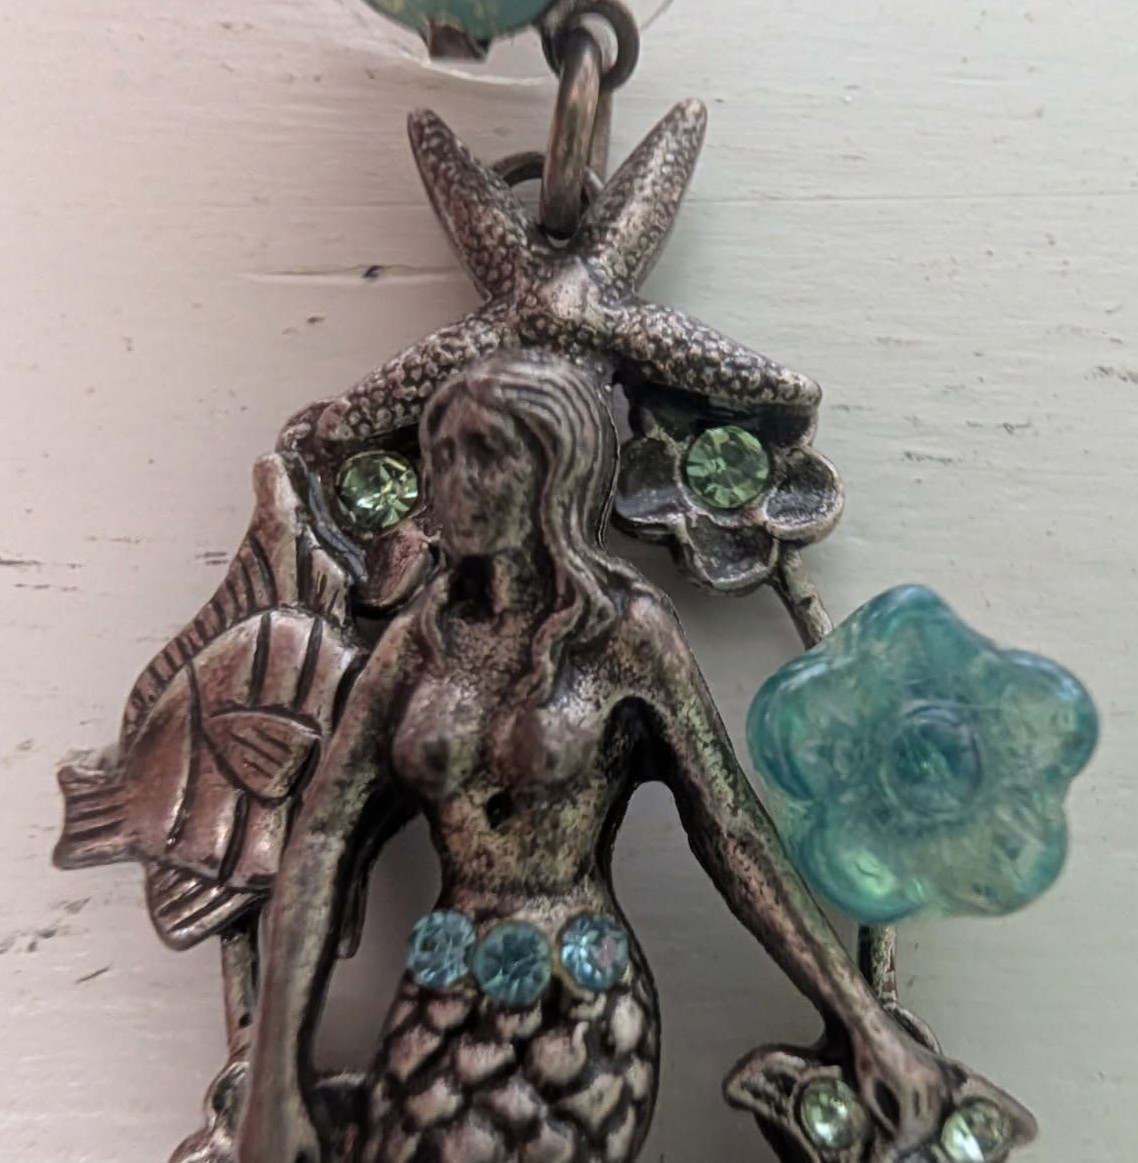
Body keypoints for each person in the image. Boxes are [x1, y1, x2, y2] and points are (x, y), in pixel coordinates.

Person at [236, 350, 1013, 1163]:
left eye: (486, 454)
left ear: (556, 470)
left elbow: (733, 834)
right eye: (444, 455)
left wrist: (861, 1021)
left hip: (580, 1012)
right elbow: (320, 844)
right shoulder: (416, 645)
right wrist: (274, 1080)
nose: (455, 482)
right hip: (437, 1007)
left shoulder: (626, 634)